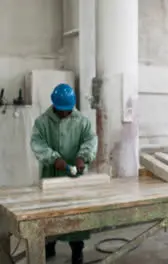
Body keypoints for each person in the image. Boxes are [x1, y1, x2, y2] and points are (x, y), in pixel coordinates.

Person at [30, 83, 98, 264]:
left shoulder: (82, 122)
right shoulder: (42, 122)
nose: (64, 114)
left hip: (76, 179)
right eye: (61, 111)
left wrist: (83, 158)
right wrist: (54, 159)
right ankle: (48, 246)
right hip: (51, 176)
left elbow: (90, 140)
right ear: (54, 106)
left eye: (68, 111)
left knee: (76, 215)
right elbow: (38, 145)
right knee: (50, 215)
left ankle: (77, 250)